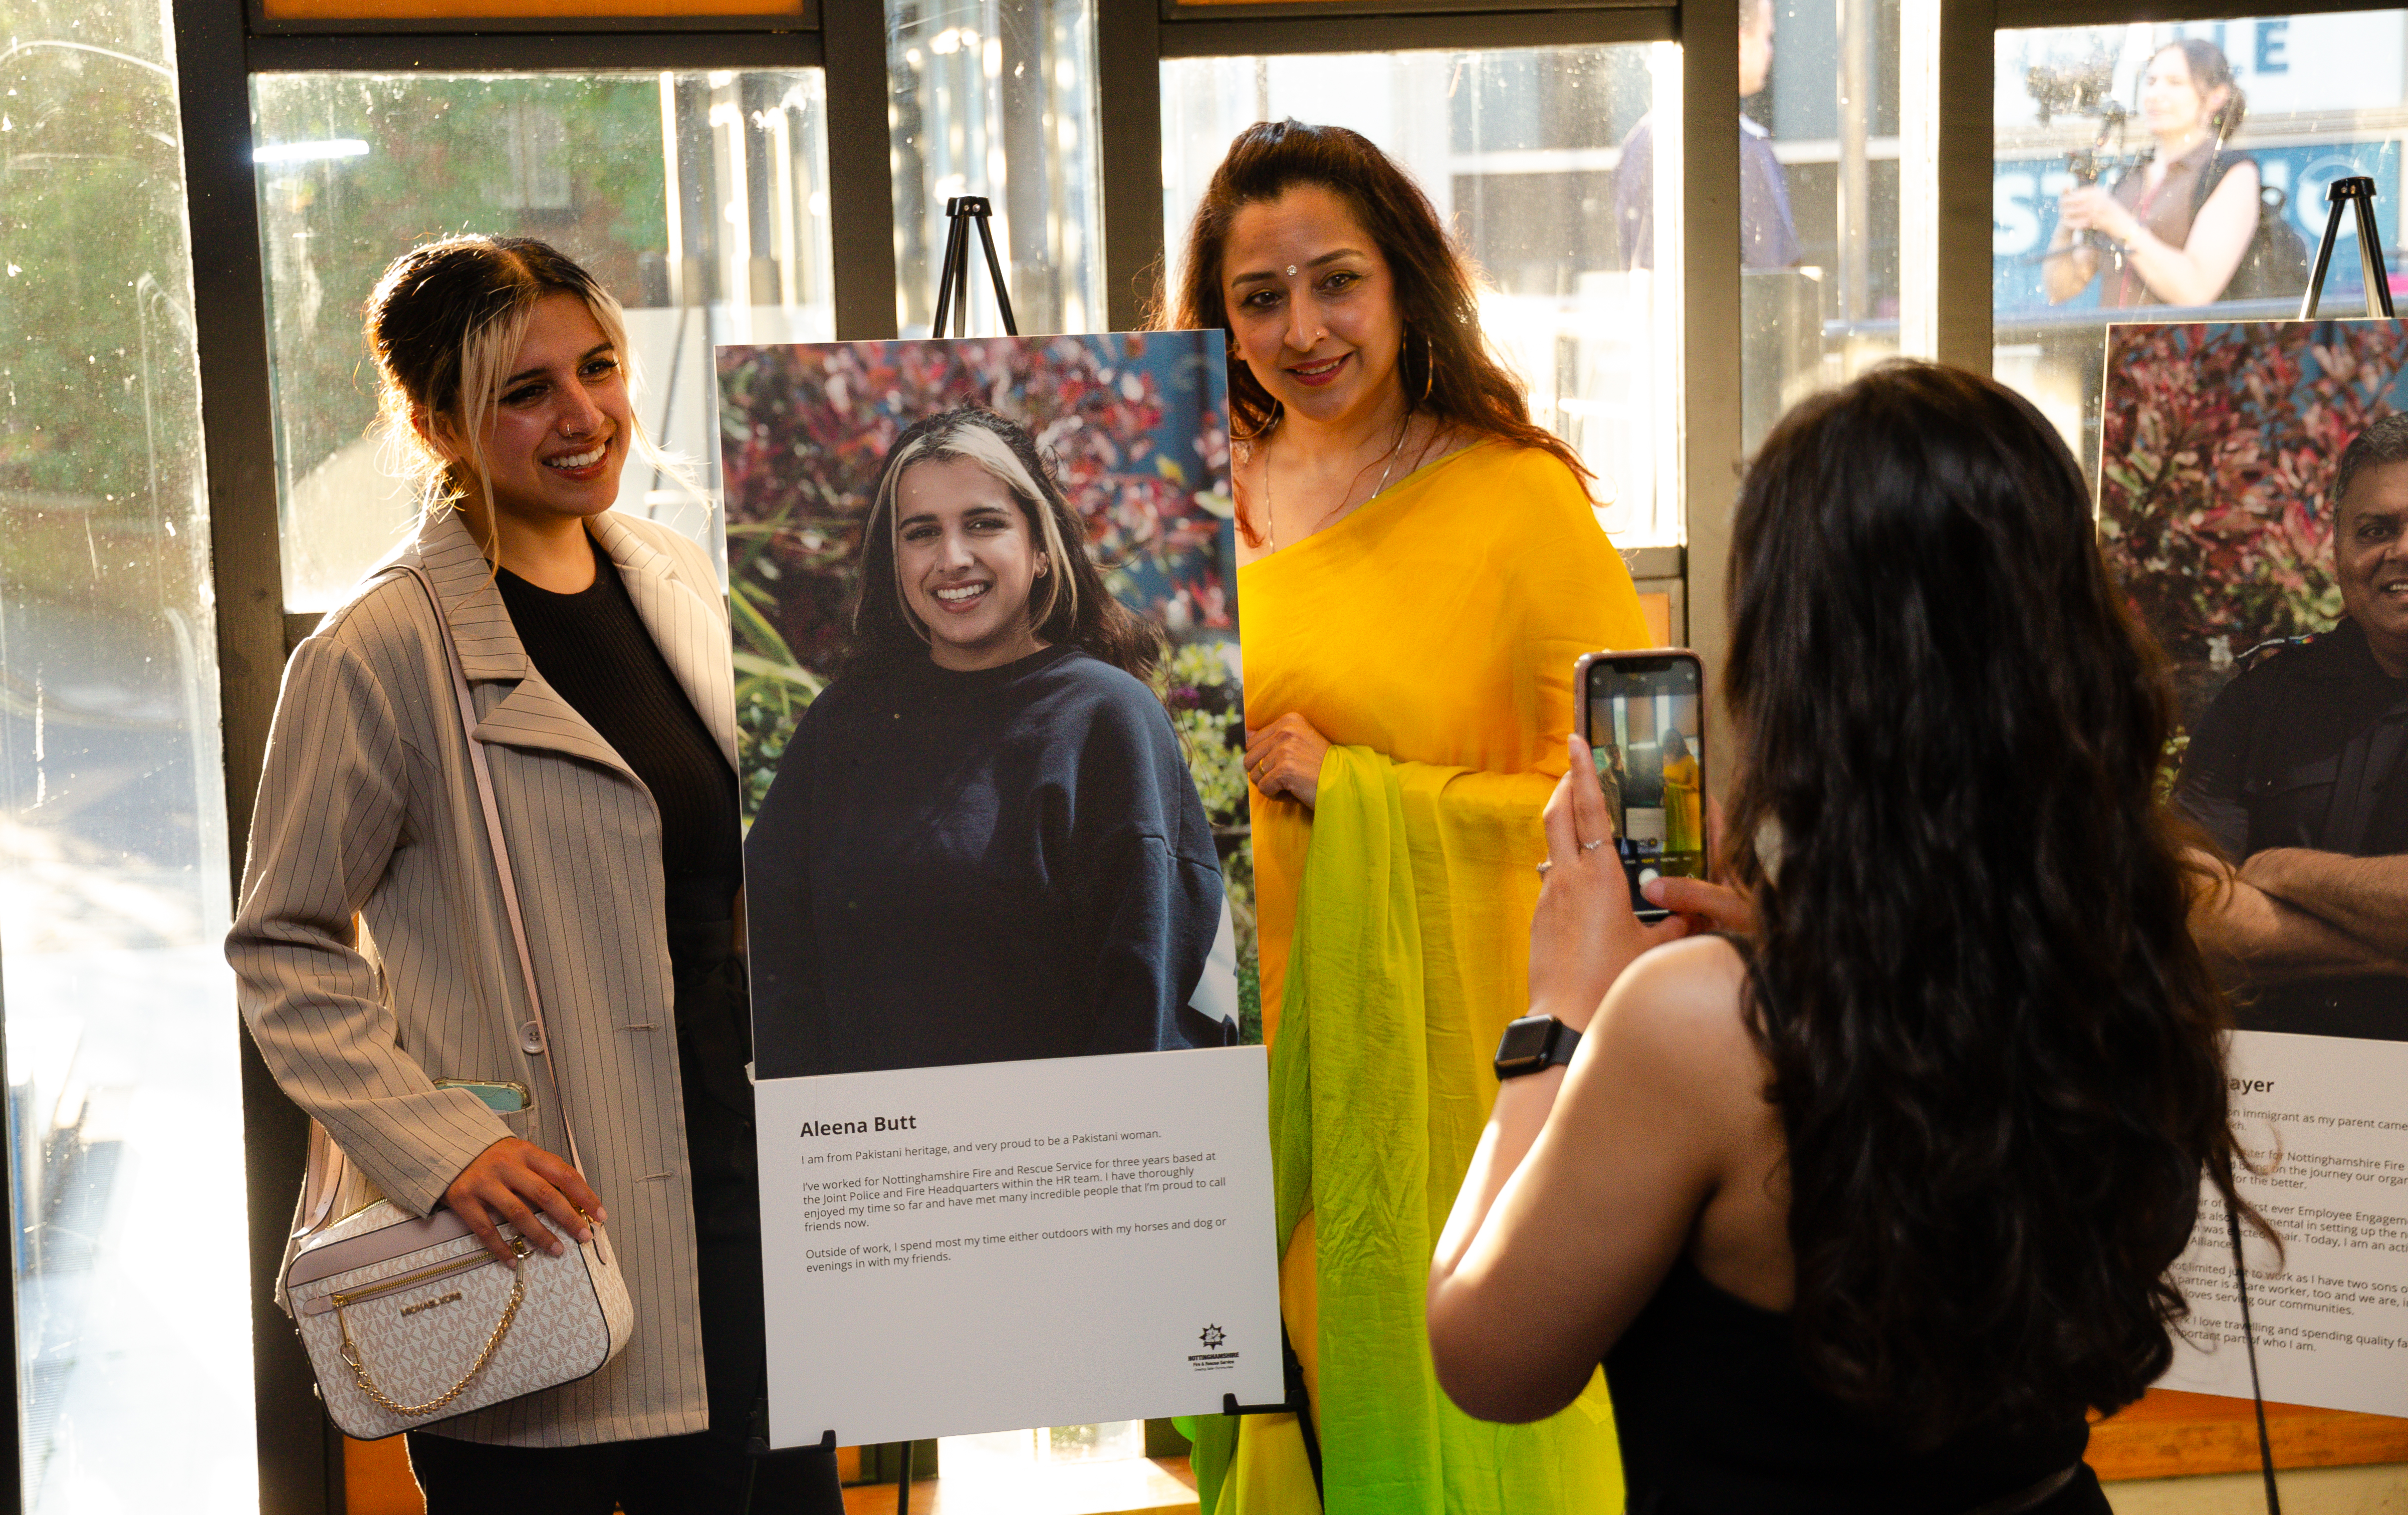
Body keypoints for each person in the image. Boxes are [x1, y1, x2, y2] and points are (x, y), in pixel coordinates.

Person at [1427, 362, 2256, 1513]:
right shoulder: (2131, 943)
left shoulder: (1699, 1024)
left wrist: (1561, 1008)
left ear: (1804, 670)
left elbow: (1486, 1357)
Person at [228, 236, 841, 1512]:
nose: (585, 416)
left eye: (600, 369)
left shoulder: (675, 579)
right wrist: (441, 1148)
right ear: (438, 421)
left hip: (738, 1185)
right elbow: (285, 946)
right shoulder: (378, 651)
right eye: (527, 391)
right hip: (537, 1220)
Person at [1165, 118, 1648, 1515]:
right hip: (1224, 1040)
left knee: (1436, 1404)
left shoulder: (1516, 501)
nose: (1303, 328)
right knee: (1267, 1388)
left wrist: (1369, 793)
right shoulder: (1191, 503)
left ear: (1406, 282)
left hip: (1440, 1068)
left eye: (1338, 282)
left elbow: (1633, 810)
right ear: (1221, 320)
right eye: (1261, 298)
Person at [742, 406, 1227, 1076]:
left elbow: (1155, 1001)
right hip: (877, 1167)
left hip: (1066, 1162)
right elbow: (779, 977)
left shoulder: (1109, 722)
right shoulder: (841, 730)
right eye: (921, 533)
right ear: (895, 562)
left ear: (1039, 549)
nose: (952, 559)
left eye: (984, 523)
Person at [2177, 411, 2408, 1039]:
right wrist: (2388, 951)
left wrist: (2280, 870)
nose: (2400, 551)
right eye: (2374, 529)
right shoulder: (2256, 703)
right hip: (2283, 1113)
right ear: (2336, 550)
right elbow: (2188, 915)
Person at [2043, 38, 2261, 309]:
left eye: (2175, 83)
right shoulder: (2130, 175)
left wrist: (2116, 221)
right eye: (2151, 82)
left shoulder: (2232, 171)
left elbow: (2196, 291)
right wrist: (2069, 224)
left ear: (2217, 96)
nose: (2155, 94)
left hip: (2174, 349)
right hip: (2115, 348)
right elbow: (2062, 288)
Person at [1614, 0, 1802, 272]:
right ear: (1738, 44)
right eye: (1766, 37)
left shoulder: (1641, 138)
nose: (1770, 51)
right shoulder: (1745, 148)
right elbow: (1772, 275)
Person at [1659, 727, 1702, 874]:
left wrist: (1671, 786)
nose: (1673, 743)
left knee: (1690, 846)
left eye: (1675, 740)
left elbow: (1697, 787)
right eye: (1670, 740)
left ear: (1681, 743)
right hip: (1671, 808)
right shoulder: (1663, 761)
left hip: (1688, 809)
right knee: (1671, 845)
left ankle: (1693, 873)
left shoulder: (1689, 762)